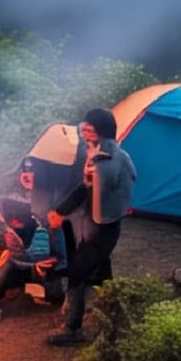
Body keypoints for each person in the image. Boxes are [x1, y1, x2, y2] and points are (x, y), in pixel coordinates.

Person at [46, 107, 135, 346]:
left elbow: (102, 185)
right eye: (85, 126)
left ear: (102, 130)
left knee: (77, 273)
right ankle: (120, 322)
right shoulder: (96, 153)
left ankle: (73, 329)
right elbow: (84, 188)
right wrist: (60, 210)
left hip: (104, 228)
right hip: (94, 226)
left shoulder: (111, 158)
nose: (85, 129)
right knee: (103, 277)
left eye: (90, 127)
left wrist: (95, 170)